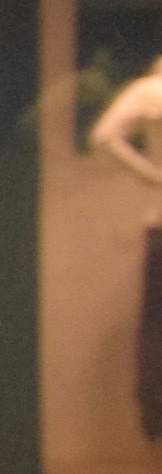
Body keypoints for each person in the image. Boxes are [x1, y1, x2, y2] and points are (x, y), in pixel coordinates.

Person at [89, 54, 162, 438]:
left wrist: (149, 174)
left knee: (157, 324)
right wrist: (148, 173)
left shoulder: (149, 91)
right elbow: (104, 137)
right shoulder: (151, 91)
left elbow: (104, 135)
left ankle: (155, 417)